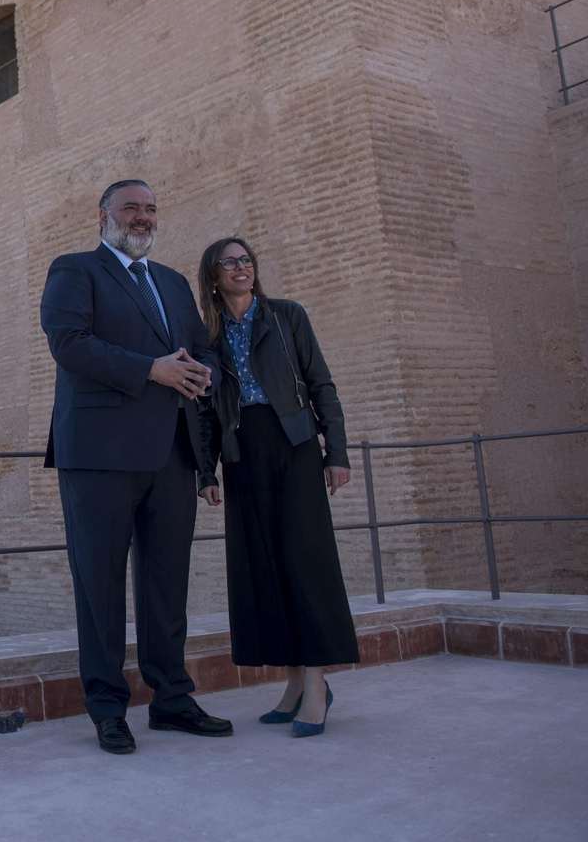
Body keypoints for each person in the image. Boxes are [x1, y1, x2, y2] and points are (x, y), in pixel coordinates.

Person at [39, 179, 233, 755]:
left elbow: (207, 352)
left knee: (167, 584)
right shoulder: (74, 270)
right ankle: (106, 708)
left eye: (150, 209)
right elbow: (68, 343)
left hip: (172, 454)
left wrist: (204, 375)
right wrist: (151, 370)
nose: (143, 217)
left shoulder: (172, 283)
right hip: (98, 456)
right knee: (99, 586)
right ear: (104, 216)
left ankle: (171, 699)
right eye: (132, 208)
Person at [194, 235, 359, 738]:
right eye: (230, 263)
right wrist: (206, 471)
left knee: (306, 564)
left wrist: (338, 452)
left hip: (295, 446)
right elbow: (204, 410)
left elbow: (321, 384)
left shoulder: (287, 316)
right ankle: (292, 684)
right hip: (243, 455)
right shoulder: (209, 337)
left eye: (247, 261)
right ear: (214, 277)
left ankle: (316, 685)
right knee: (265, 568)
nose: (241, 269)